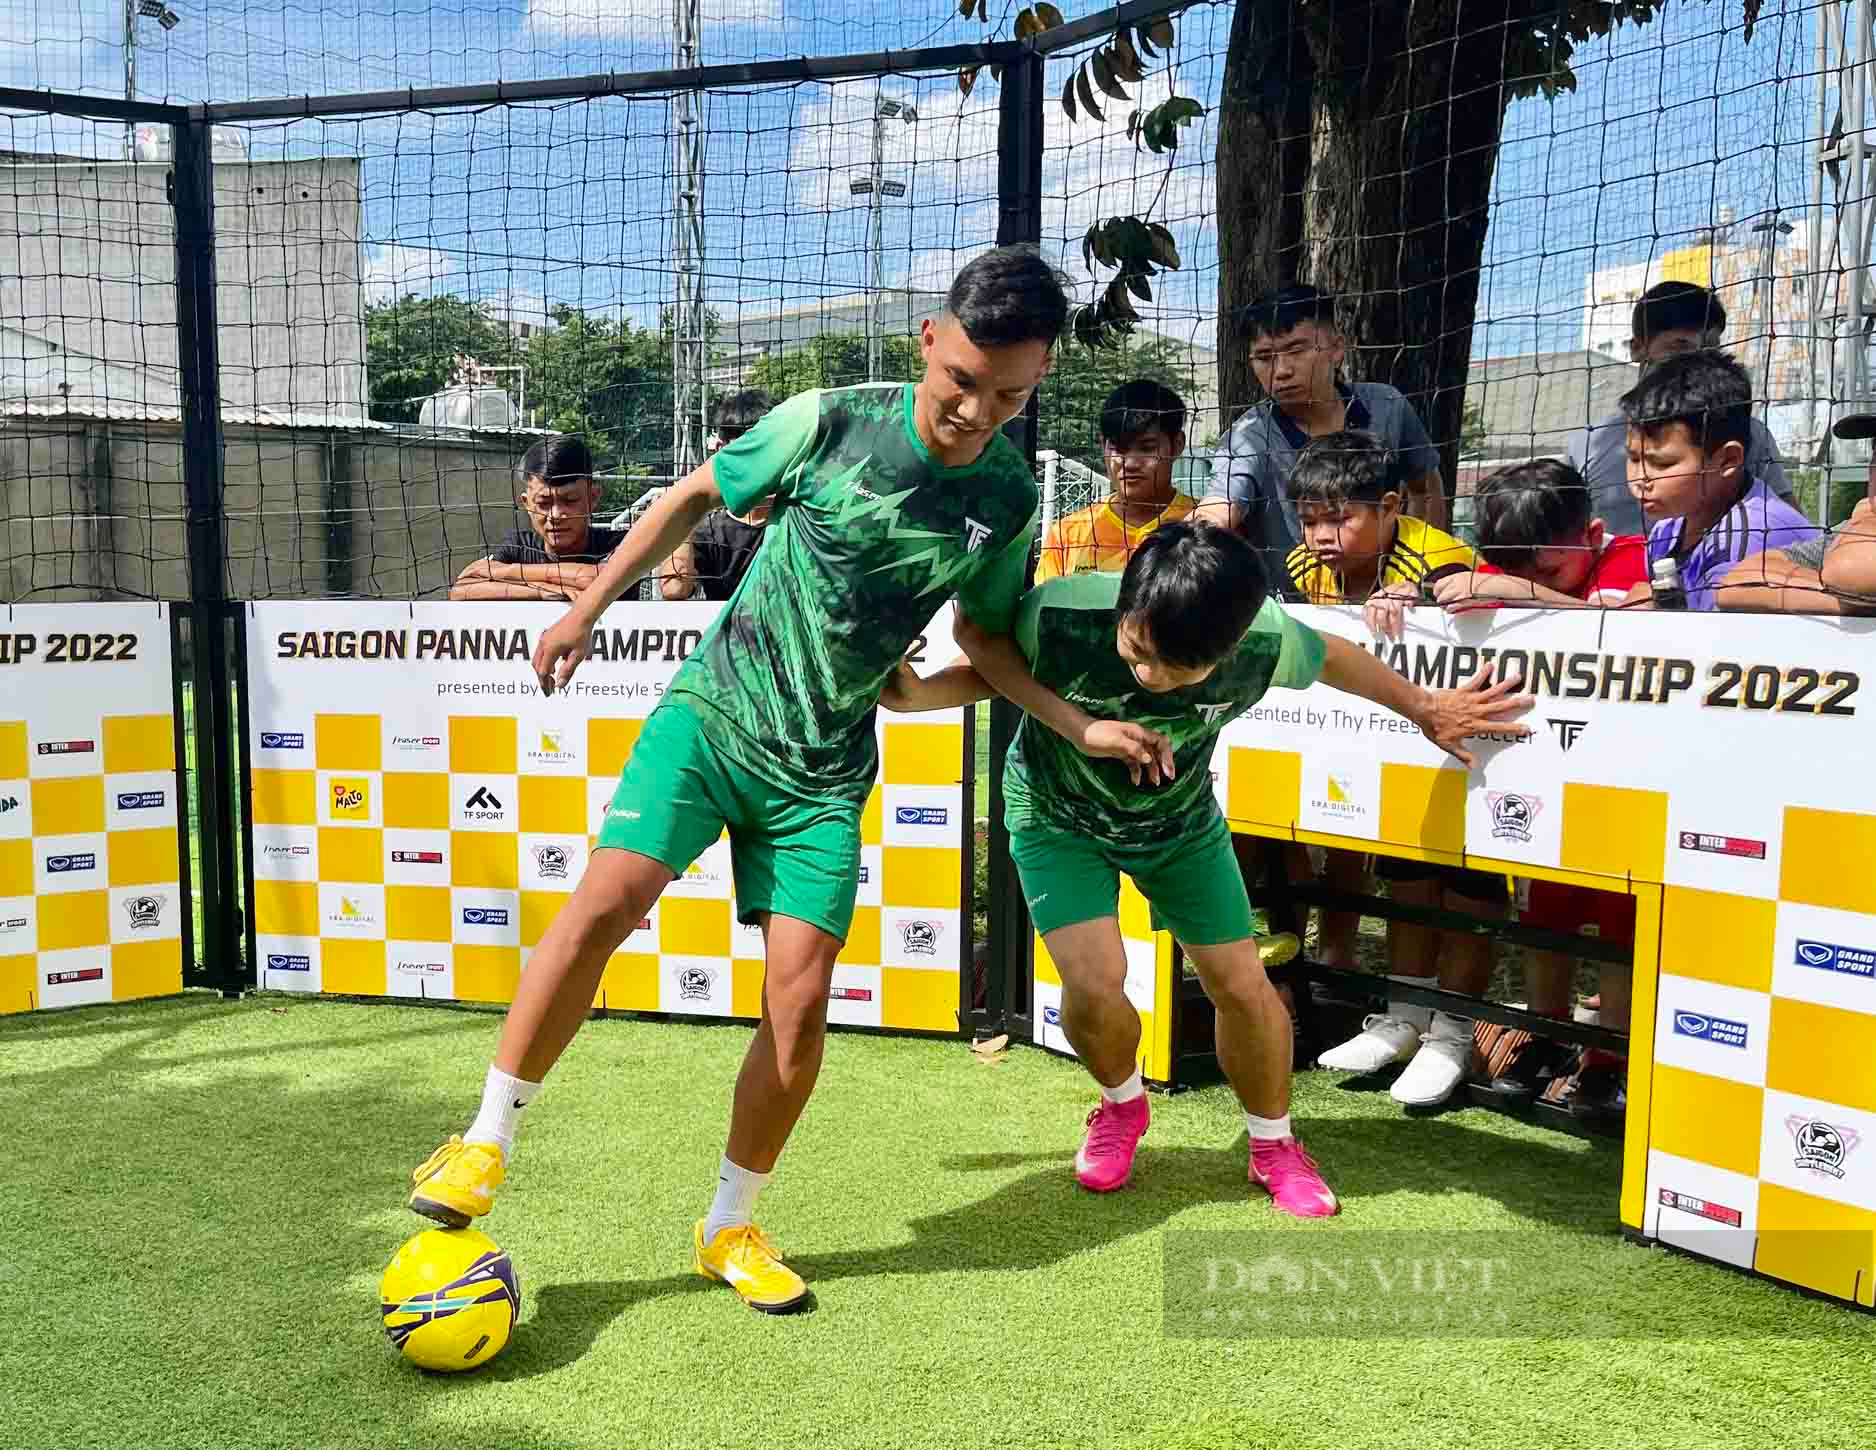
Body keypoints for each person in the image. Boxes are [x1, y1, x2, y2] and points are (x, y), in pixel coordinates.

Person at [404, 247, 1166, 1315]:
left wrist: (1074, 722)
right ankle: (483, 1142)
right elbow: (690, 497)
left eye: (1011, 394)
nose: (978, 411)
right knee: (603, 905)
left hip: (823, 771)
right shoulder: (829, 421)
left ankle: (729, 1225)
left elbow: (989, 642)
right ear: (929, 343)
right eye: (963, 382)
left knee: (800, 1006)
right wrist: (587, 608)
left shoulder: (1003, 492)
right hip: (714, 720)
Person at [880, 521, 1532, 1215]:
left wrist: (1426, 708)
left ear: (1230, 647)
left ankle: (1273, 1142)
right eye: (1137, 653)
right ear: (1123, 607)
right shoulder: (1063, 614)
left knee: (1242, 985)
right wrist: (922, 695)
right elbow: (987, 662)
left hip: (1178, 825)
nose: (1150, 677)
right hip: (1055, 816)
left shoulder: (1265, 640)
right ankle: (1121, 1107)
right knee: (1093, 984)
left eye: (1177, 670)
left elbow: (1336, 657)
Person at [1283, 431, 1504, 1106]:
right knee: (1404, 868)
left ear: (1388, 505)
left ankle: (1455, 1032)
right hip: (1382, 744)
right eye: (1310, 518)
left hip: (1470, 743)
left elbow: (1489, 600)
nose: (1322, 535)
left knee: (1468, 876)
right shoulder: (1300, 565)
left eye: (1340, 517)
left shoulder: (1441, 553)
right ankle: (1406, 1016)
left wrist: (1431, 598)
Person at [1432, 460, 1646, 1114]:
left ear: (1594, 534)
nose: (1528, 584)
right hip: (1543, 781)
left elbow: (1626, 625)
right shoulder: (1518, 564)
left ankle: (1610, 1055)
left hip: (1627, 778)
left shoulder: (1629, 559)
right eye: (1516, 572)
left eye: (1547, 572)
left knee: (1617, 927)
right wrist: (1398, 602)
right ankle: (1546, 1039)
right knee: (1545, 912)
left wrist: (1521, 594)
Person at [1196, 284, 1447, 586]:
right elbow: (1219, 506)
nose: (1281, 370)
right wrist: (1196, 532)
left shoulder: (1387, 406)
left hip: (1394, 608)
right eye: (1264, 357)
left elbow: (1426, 487)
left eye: (1296, 350)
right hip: (1295, 615)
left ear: (1337, 348)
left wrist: (1415, 574)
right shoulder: (1247, 436)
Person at [1569, 281, 1798, 537]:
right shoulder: (1590, 442)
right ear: (1637, 348)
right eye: (1681, 346)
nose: (1698, 358)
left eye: (1710, 347)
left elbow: (1789, 524)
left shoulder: (1746, 432)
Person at [1614, 350, 1817, 611]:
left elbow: (1717, 645)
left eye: (1662, 463)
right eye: (1632, 458)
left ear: (1728, 460)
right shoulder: (1667, 530)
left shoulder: (1750, 537)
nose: (1640, 478)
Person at [1035, 379, 1195, 581]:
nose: (1129, 463)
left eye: (1146, 448)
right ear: (1103, 445)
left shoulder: (1205, 525)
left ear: (1177, 444)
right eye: (1118, 449)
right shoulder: (1068, 535)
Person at [1720, 410, 1876, 615]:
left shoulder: (1862, 528)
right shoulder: (1844, 537)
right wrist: (1844, 601)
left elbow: (1852, 569)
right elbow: (1736, 583)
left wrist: (1866, 515)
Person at [450, 435, 622, 601]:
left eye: (569, 501)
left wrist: (503, 572)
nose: (555, 515)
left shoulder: (618, 544)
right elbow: (461, 590)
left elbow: (591, 579)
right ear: (526, 503)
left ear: (593, 498)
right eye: (544, 503)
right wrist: (539, 590)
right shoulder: (519, 546)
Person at [659, 390, 777, 602]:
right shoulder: (709, 532)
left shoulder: (798, 518)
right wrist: (684, 509)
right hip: (730, 632)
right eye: (747, 449)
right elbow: (674, 588)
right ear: (722, 450)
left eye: (767, 448)